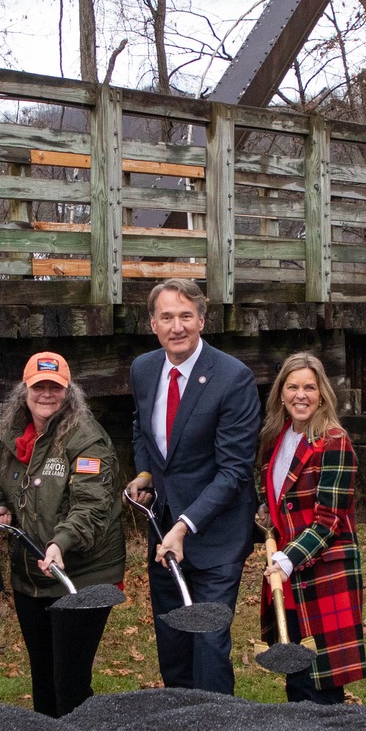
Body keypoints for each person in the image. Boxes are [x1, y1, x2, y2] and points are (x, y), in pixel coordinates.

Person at [126, 278, 261, 694]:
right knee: (173, 641)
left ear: (202, 320)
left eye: (186, 316)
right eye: (167, 316)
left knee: (208, 640)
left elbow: (234, 470)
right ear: (153, 323)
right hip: (163, 530)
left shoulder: (232, 378)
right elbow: (141, 429)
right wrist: (145, 473)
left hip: (215, 534)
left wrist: (184, 526)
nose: (177, 326)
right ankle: (180, 727)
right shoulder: (144, 369)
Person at [0, 352, 122, 717]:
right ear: (25, 390)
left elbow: (91, 507)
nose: (46, 394)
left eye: (55, 387)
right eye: (38, 386)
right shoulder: (16, 437)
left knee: (70, 681)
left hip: (81, 574)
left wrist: (60, 542)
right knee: (43, 676)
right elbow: (8, 486)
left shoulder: (87, 439)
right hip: (30, 577)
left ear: (69, 391)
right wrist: (3, 506)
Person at [259, 352, 366, 704]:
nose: (300, 395)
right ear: (281, 393)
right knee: (297, 678)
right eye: (292, 387)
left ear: (322, 394)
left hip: (320, 575)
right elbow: (281, 501)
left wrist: (287, 560)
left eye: (309, 387)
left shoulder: (334, 441)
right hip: (286, 576)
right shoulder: (278, 438)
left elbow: (329, 519)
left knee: (322, 687)